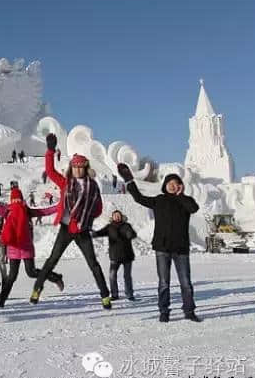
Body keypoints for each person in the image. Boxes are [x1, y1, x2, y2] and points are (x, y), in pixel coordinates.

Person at [31, 134, 112, 310]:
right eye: (74, 166)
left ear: (85, 167)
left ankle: (105, 295)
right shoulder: (66, 183)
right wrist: (50, 151)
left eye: (79, 167)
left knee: (93, 264)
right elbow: (50, 171)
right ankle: (37, 288)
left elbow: (98, 208)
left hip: (82, 230)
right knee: (52, 259)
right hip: (66, 228)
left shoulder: (93, 186)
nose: (77, 169)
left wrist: (84, 220)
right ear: (71, 168)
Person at [118, 164, 202, 323]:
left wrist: (180, 195)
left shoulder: (185, 201)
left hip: (181, 248)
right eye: (170, 183)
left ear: (180, 186)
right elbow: (139, 198)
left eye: (175, 183)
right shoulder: (159, 200)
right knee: (164, 282)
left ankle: (189, 311)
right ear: (165, 186)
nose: (172, 186)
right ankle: (164, 311)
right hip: (162, 248)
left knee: (186, 282)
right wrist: (129, 181)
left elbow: (194, 209)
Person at [0, 187, 64, 308]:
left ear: (11, 199)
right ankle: (55, 277)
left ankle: (1, 302)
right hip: (26, 247)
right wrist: (60, 205)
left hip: (14, 248)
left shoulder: (7, 210)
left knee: (11, 277)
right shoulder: (27, 211)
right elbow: (46, 211)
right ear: (21, 198)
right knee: (31, 272)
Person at [92, 210, 137, 301]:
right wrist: (93, 233)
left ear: (121, 216)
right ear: (112, 217)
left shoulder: (126, 226)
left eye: (118, 215)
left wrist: (130, 234)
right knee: (112, 276)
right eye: (115, 216)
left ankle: (129, 294)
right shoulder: (110, 227)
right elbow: (100, 232)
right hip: (115, 256)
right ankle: (114, 294)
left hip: (127, 256)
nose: (117, 217)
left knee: (127, 276)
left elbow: (133, 234)